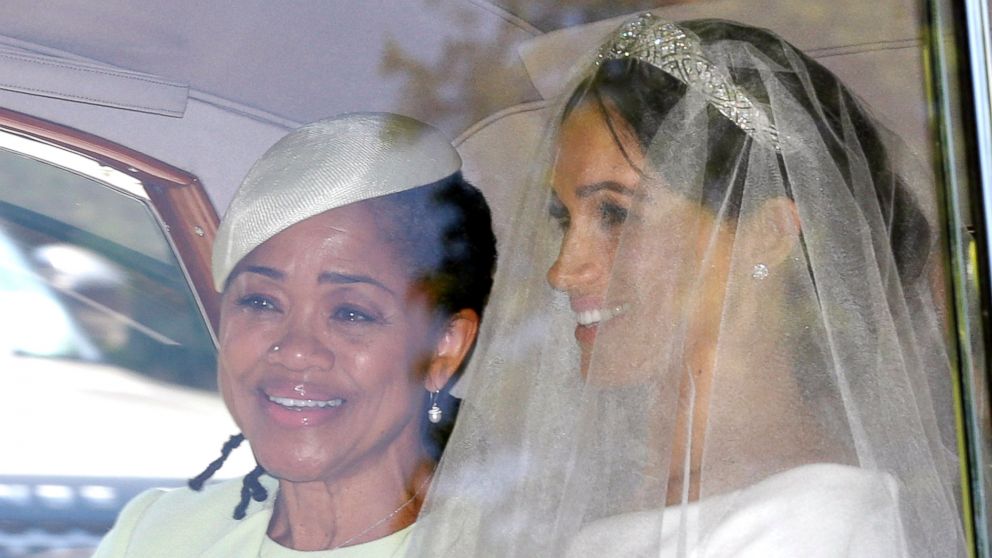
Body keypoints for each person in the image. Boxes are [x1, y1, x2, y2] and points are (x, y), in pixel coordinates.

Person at [409, 14, 966, 557]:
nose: (562, 270)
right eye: (564, 218)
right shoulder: (588, 486)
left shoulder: (809, 523)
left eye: (617, 215)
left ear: (770, 234)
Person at [91, 112, 496, 557]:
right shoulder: (158, 533)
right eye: (261, 303)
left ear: (444, 349)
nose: (295, 351)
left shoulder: (510, 545)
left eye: (350, 313)